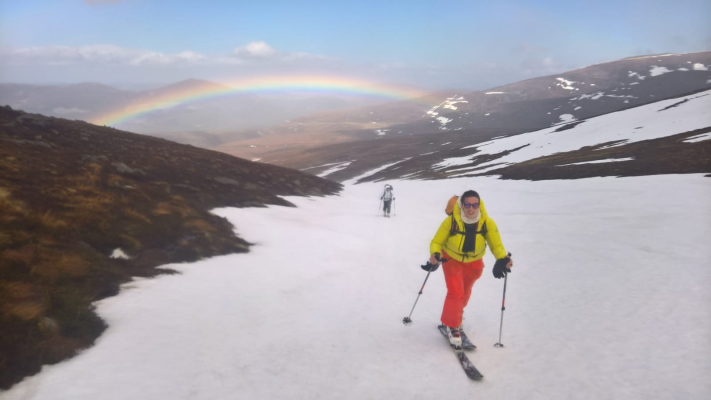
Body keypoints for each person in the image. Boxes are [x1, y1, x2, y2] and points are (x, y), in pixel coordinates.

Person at [428, 190, 512, 349]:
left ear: (479, 205)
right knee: (456, 292)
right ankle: (452, 326)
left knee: (465, 293)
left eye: (475, 205)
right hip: (451, 259)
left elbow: (496, 245)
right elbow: (436, 241)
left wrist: (503, 259)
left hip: (474, 263)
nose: (471, 208)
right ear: (462, 205)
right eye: (467, 204)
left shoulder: (487, 223)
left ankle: (455, 315)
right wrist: (435, 254)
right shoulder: (451, 221)